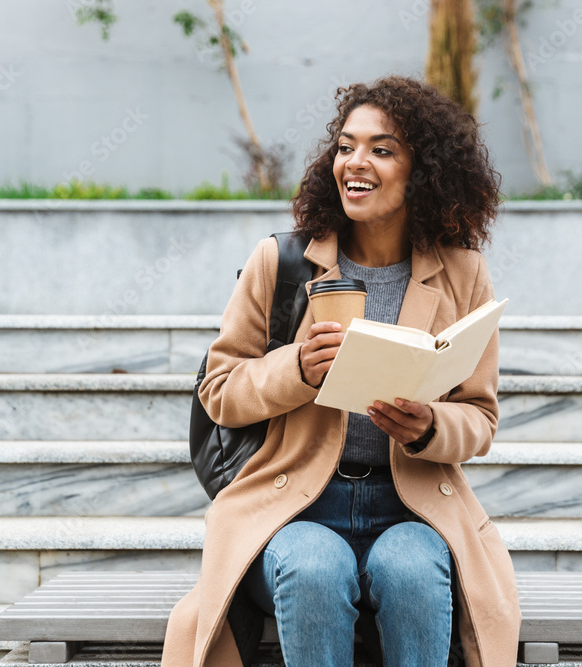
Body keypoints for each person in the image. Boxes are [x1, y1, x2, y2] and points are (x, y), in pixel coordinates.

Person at [161, 75, 519, 667]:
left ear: (423, 171)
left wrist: (429, 426)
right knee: (315, 566)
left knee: (410, 568)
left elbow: (479, 419)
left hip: (413, 504)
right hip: (292, 504)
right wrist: (296, 368)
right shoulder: (280, 261)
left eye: (382, 149)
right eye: (347, 146)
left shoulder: (463, 273)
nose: (356, 162)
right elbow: (219, 391)